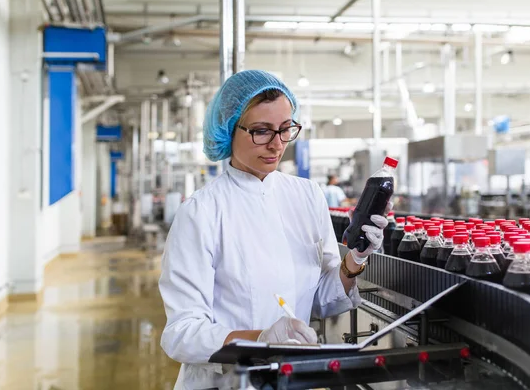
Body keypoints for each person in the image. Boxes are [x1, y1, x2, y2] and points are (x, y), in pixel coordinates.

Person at [158, 70, 390, 389]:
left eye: (285, 129)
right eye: (261, 131)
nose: (277, 144)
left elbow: (320, 298)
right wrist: (260, 340)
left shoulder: (307, 196)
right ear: (228, 130)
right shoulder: (201, 212)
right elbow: (181, 334)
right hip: (223, 383)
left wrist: (355, 260)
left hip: (290, 379)